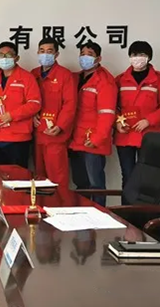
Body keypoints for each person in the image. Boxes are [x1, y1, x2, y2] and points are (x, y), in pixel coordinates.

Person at [115, 41, 160, 189]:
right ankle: (127, 205)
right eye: (134, 54)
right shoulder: (120, 80)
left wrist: (149, 120)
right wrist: (117, 122)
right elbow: (111, 106)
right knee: (128, 175)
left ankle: (145, 205)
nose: (137, 58)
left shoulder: (158, 80)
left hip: (149, 134)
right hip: (125, 134)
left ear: (149, 57)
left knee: (148, 176)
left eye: (142, 54)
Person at [69, 41, 117, 206]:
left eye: (89, 55)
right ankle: (82, 213)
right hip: (75, 139)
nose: (85, 58)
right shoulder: (75, 78)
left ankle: (99, 214)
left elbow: (107, 113)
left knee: (95, 184)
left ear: (98, 58)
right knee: (80, 182)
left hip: (93, 141)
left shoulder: (105, 81)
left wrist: (97, 138)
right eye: (82, 54)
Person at [0, 42, 41, 168]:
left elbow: (35, 104)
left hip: (18, 138)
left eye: (8, 55)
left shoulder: (27, 78)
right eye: (1, 55)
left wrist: (13, 115)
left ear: (17, 58)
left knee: (19, 177)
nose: (4, 58)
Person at [31, 37, 77, 186]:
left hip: (55, 135)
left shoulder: (65, 75)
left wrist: (60, 126)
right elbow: (28, 101)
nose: (45, 54)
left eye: (49, 51)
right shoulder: (33, 74)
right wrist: (32, 116)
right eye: (42, 51)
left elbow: (70, 104)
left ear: (56, 54)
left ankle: (60, 201)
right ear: (37, 52)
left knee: (57, 178)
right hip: (38, 133)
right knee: (39, 178)